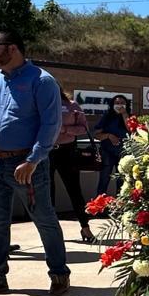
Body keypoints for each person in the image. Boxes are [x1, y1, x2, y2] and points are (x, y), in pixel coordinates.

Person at [0, 30, 71, 296]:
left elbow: (50, 125)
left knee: (44, 219)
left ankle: (59, 275)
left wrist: (33, 160)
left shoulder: (42, 81)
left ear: (12, 48)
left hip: (26, 164)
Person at [49, 86, 95, 243]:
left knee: (74, 190)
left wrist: (64, 129)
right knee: (47, 192)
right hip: (46, 152)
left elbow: (83, 128)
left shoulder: (72, 105)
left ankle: (85, 226)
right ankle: (52, 232)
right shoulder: (41, 104)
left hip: (66, 152)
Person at [94, 95, 131, 195]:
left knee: (122, 181)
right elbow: (97, 135)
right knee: (104, 179)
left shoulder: (129, 117)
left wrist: (124, 114)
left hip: (124, 153)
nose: (119, 105)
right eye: (117, 103)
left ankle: (120, 206)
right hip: (107, 152)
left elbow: (131, 129)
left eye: (122, 103)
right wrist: (109, 135)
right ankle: (99, 207)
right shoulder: (107, 117)